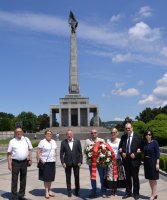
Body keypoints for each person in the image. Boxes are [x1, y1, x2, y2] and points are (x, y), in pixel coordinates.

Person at [7, 127, 33, 200]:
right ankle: (14, 196)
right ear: (15, 133)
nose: (19, 133)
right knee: (14, 179)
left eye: (20, 131)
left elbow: (30, 150)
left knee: (23, 179)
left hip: (24, 162)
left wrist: (30, 159)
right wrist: (9, 164)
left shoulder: (26, 139)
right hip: (15, 162)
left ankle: (21, 195)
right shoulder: (12, 141)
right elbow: (9, 153)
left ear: (22, 132)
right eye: (17, 132)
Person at [119, 123, 142, 200]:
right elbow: (120, 148)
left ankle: (136, 193)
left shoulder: (138, 137)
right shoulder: (123, 137)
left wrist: (135, 154)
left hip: (135, 161)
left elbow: (142, 148)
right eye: (126, 128)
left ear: (132, 128)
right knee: (128, 178)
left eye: (129, 128)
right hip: (126, 161)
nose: (127, 130)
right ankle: (128, 192)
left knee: (135, 178)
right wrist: (122, 153)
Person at [60, 129, 83, 197]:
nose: (69, 135)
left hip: (76, 162)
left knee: (77, 177)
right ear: (66, 135)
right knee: (68, 177)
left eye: (70, 134)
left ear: (73, 134)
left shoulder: (77, 141)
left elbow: (80, 152)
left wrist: (80, 161)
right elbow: (61, 153)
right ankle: (69, 191)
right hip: (67, 163)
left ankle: (77, 190)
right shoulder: (63, 142)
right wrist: (63, 162)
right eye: (68, 134)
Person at [85, 128, 106, 198]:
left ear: (97, 133)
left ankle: (103, 191)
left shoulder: (101, 140)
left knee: (102, 177)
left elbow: (105, 150)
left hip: (100, 162)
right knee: (92, 177)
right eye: (92, 133)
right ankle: (94, 191)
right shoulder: (87, 141)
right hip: (91, 163)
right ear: (90, 134)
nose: (93, 134)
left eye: (95, 133)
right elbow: (85, 151)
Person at [36, 130, 57, 199]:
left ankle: (50, 190)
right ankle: (46, 192)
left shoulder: (53, 141)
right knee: (46, 178)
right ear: (45, 135)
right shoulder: (42, 142)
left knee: (50, 177)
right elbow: (38, 151)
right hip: (45, 162)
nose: (49, 135)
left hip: (52, 162)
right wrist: (38, 161)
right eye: (47, 134)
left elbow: (55, 150)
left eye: (50, 134)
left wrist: (55, 158)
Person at [105, 128, 126, 196]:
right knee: (111, 176)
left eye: (114, 132)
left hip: (118, 160)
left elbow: (123, 149)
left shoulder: (120, 141)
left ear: (117, 133)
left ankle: (116, 189)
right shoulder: (108, 141)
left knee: (117, 175)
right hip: (110, 161)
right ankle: (112, 189)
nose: (113, 134)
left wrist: (121, 150)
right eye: (112, 132)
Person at [143, 130, 160, 200]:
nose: (148, 135)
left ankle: (153, 194)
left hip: (153, 162)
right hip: (146, 162)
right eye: (147, 134)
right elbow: (140, 150)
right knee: (150, 179)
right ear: (145, 136)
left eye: (149, 134)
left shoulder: (155, 142)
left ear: (151, 135)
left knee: (153, 179)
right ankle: (154, 194)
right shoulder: (144, 143)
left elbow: (158, 153)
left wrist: (157, 163)